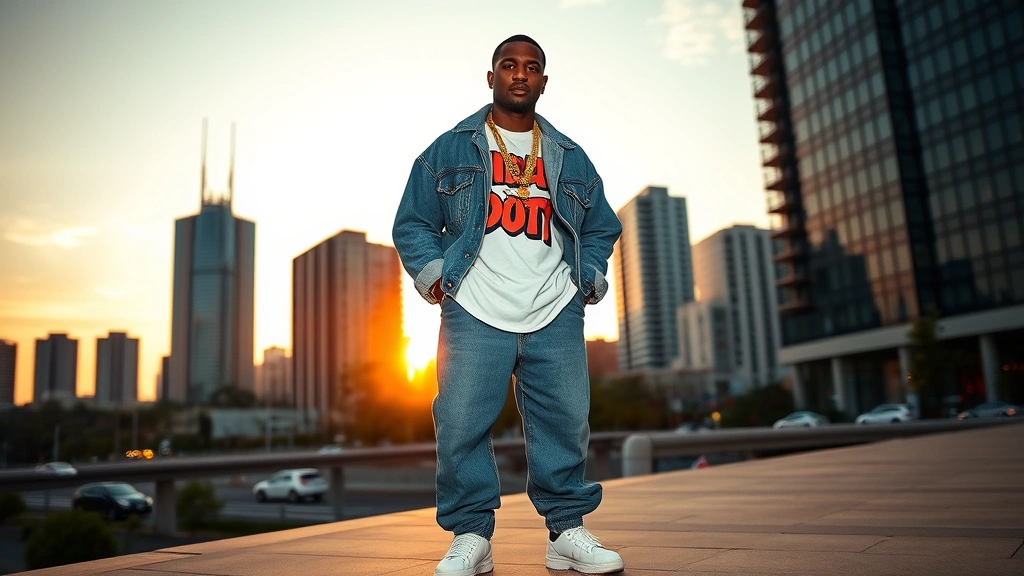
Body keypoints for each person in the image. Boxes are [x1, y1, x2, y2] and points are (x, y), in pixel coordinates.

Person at [392, 34, 624, 576]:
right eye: (508, 64)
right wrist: (437, 279)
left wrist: (584, 281)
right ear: (492, 76)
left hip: (554, 309)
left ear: (543, 81)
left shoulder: (572, 157)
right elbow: (412, 224)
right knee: (460, 424)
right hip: (474, 307)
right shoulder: (449, 150)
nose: (520, 74)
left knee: (566, 421)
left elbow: (601, 228)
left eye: (532, 67)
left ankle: (566, 532)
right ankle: (472, 536)